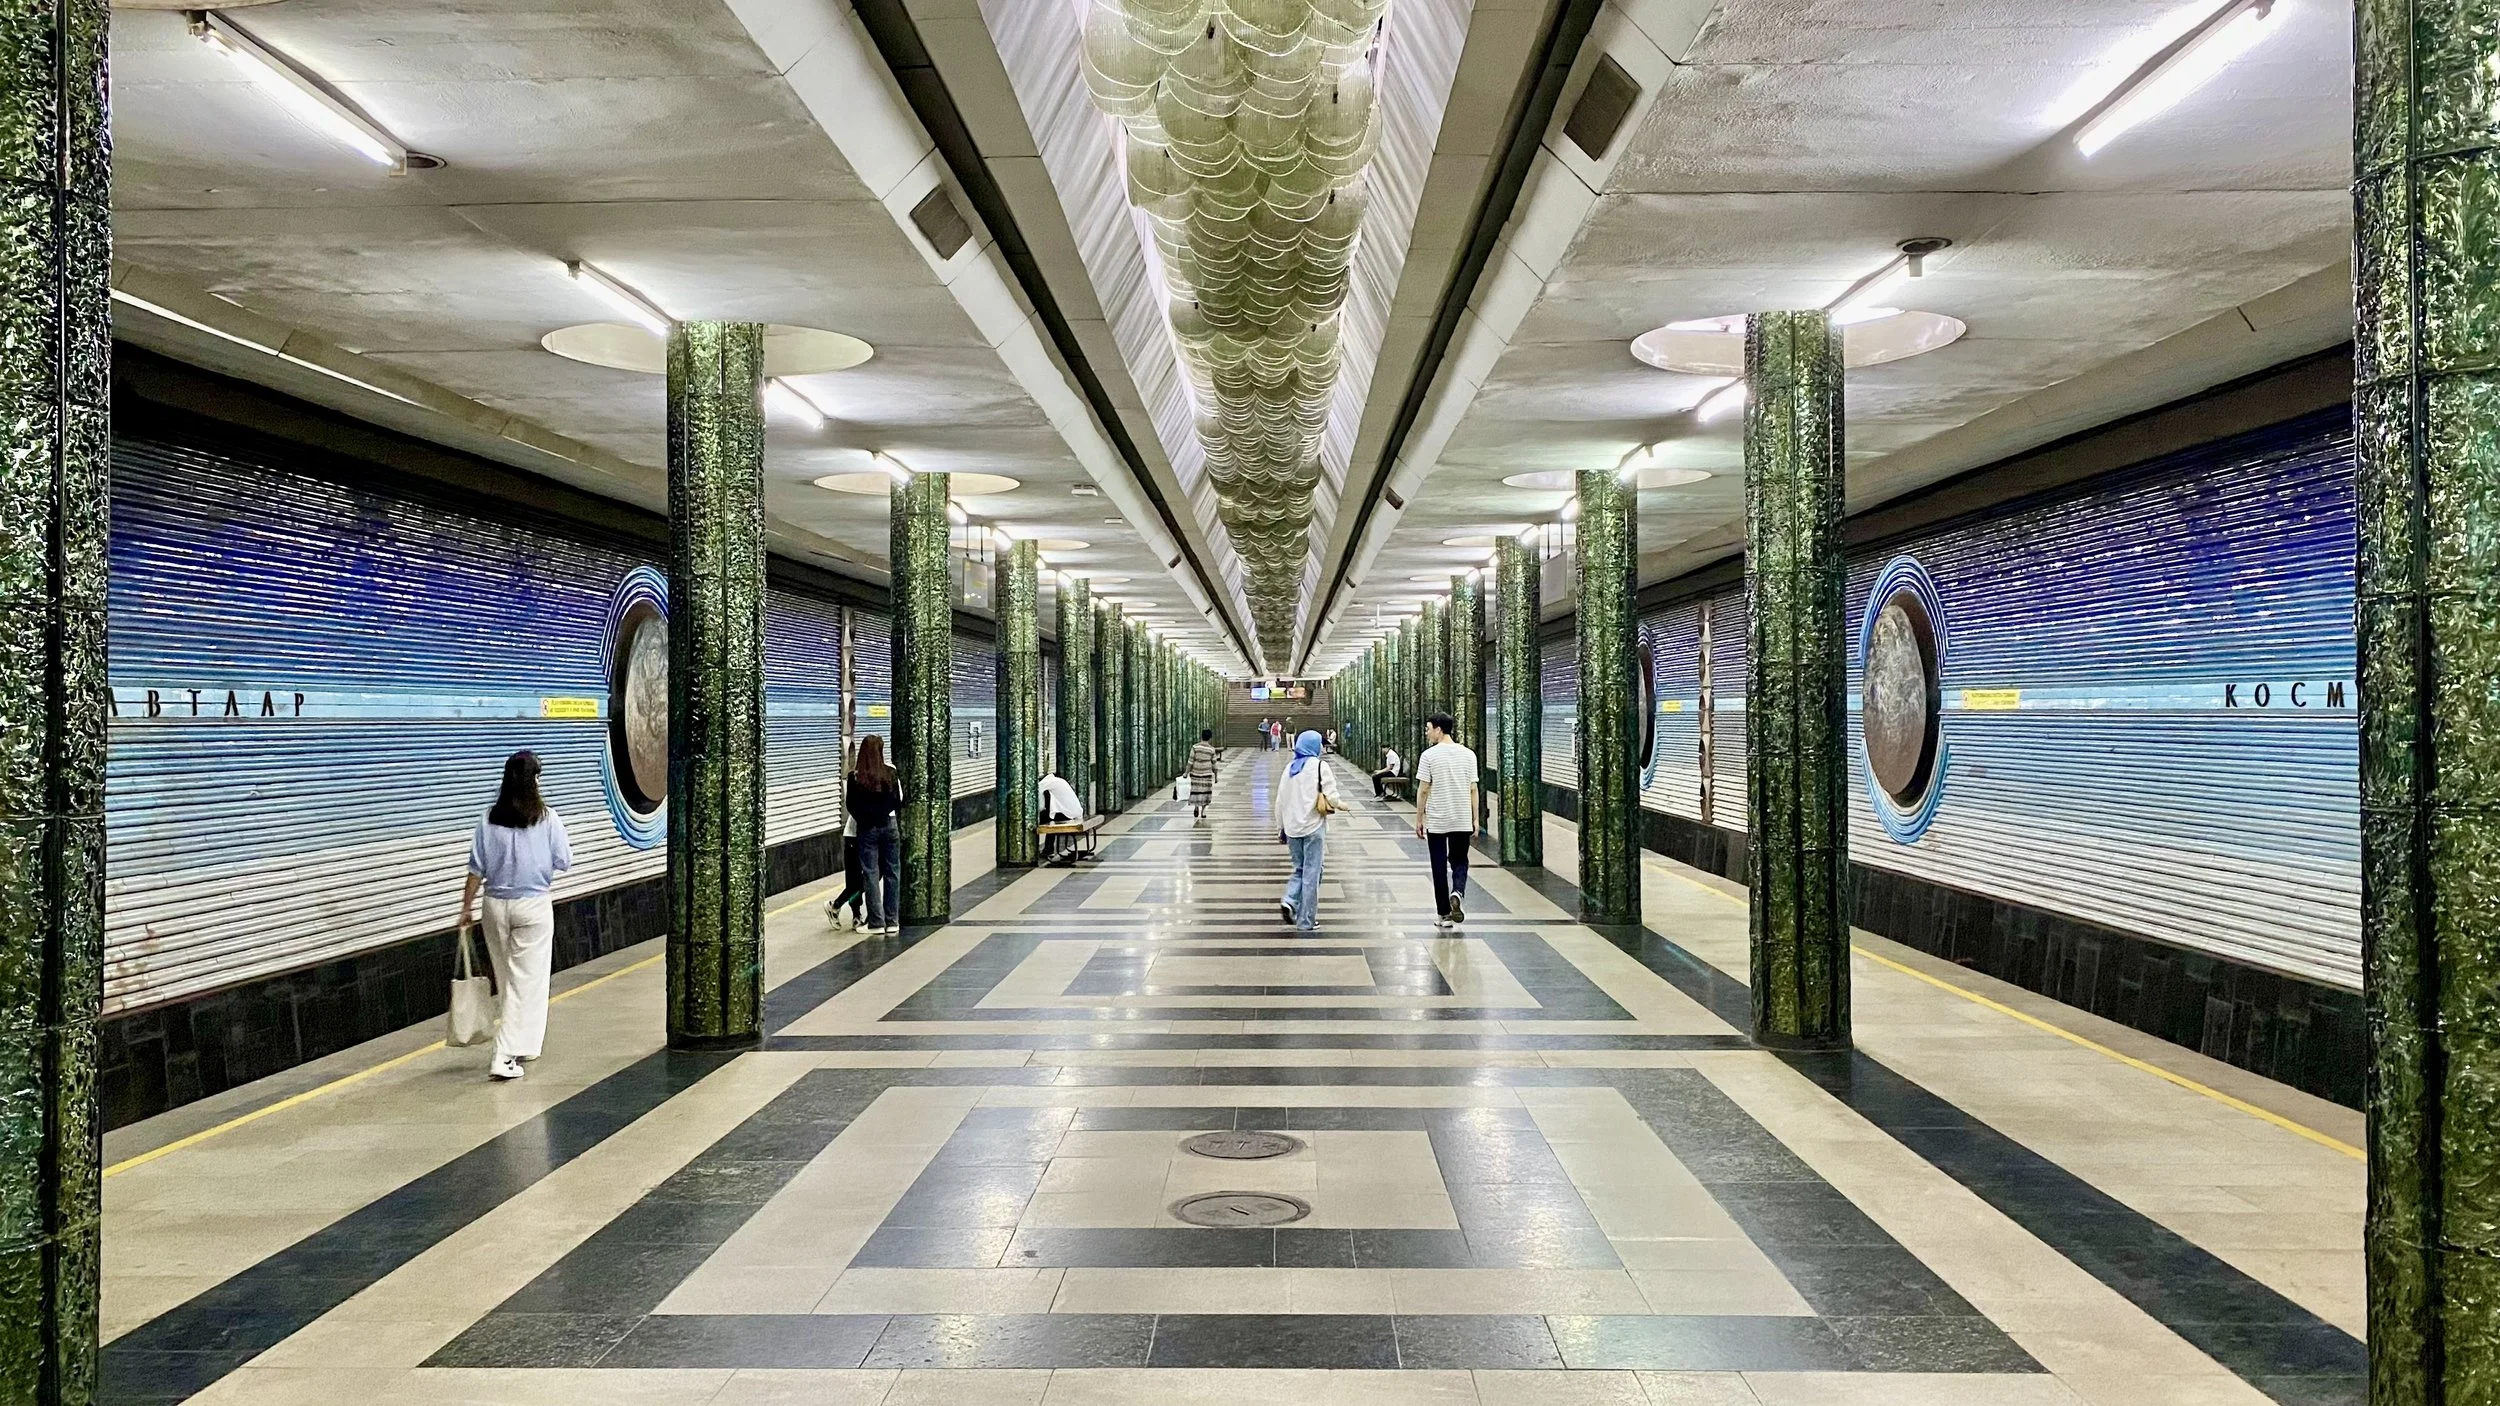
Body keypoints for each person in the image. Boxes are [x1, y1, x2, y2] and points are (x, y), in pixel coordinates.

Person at [457, 751, 573, 1082]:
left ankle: (526, 1045)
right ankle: (505, 1054)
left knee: (508, 978)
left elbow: (476, 868)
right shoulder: (547, 819)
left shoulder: (488, 819)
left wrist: (465, 907)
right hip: (532, 907)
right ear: (534, 781)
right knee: (527, 982)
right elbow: (564, 860)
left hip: (494, 907)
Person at [1414, 712, 1483, 928]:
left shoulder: (1429, 756)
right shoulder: (1469, 755)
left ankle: (1444, 915)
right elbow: (1473, 789)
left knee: (1438, 866)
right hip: (1461, 818)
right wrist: (1476, 819)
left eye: (1428, 729)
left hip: (1438, 820)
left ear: (1438, 729)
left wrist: (1419, 818)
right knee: (1460, 860)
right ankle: (1458, 892)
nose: (1426, 733)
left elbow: (1423, 789)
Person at [847, 735, 904, 933]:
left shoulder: (855, 777)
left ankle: (876, 923)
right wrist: (882, 813)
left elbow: (851, 805)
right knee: (892, 872)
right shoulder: (891, 772)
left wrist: (866, 818)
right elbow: (897, 800)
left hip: (866, 829)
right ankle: (892, 921)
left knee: (870, 873)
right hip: (889, 825)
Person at [1276, 729, 1332, 931]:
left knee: (1300, 869)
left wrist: (1280, 827)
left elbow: (1280, 801)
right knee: (1312, 873)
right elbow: (1331, 795)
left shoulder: (1289, 768)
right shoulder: (1320, 766)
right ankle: (1306, 920)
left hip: (1292, 829)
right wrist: (1340, 804)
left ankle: (1289, 899)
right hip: (1313, 827)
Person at [1188, 727, 1219, 819]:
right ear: (1210, 738)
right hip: (1207, 773)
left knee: (1196, 790)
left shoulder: (1195, 747)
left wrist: (1186, 772)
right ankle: (1203, 811)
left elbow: (1190, 761)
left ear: (1201, 737)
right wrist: (1216, 776)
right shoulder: (1211, 749)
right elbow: (1214, 764)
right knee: (1206, 791)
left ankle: (1196, 806)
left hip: (1196, 772)